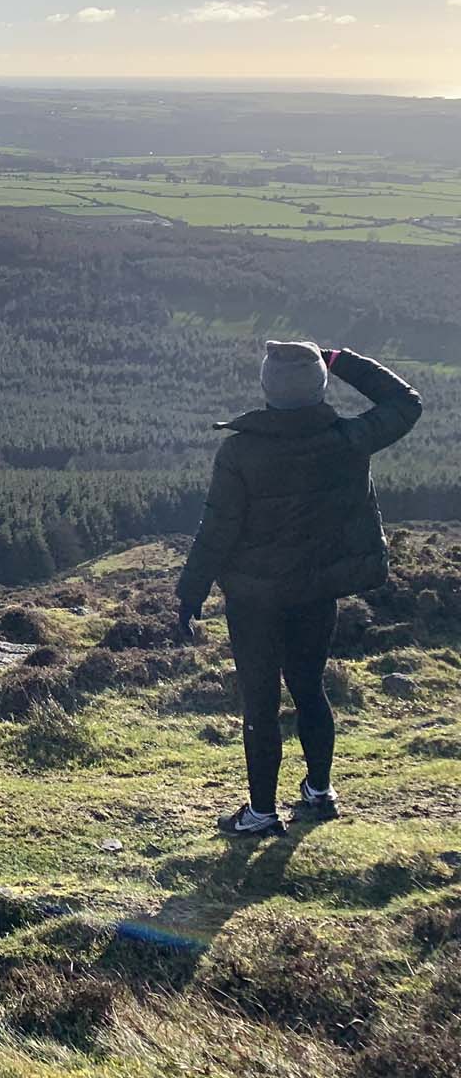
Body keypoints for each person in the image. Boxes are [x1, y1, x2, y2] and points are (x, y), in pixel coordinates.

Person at [177, 343, 422, 838]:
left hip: (254, 599)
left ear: (267, 387)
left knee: (261, 700)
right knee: (310, 688)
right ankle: (319, 791)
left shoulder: (240, 451)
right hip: (316, 590)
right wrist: (341, 359)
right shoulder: (347, 440)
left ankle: (262, 813)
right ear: (319, 387)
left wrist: (191, 592)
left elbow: (217, 528)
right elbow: (405, 402)